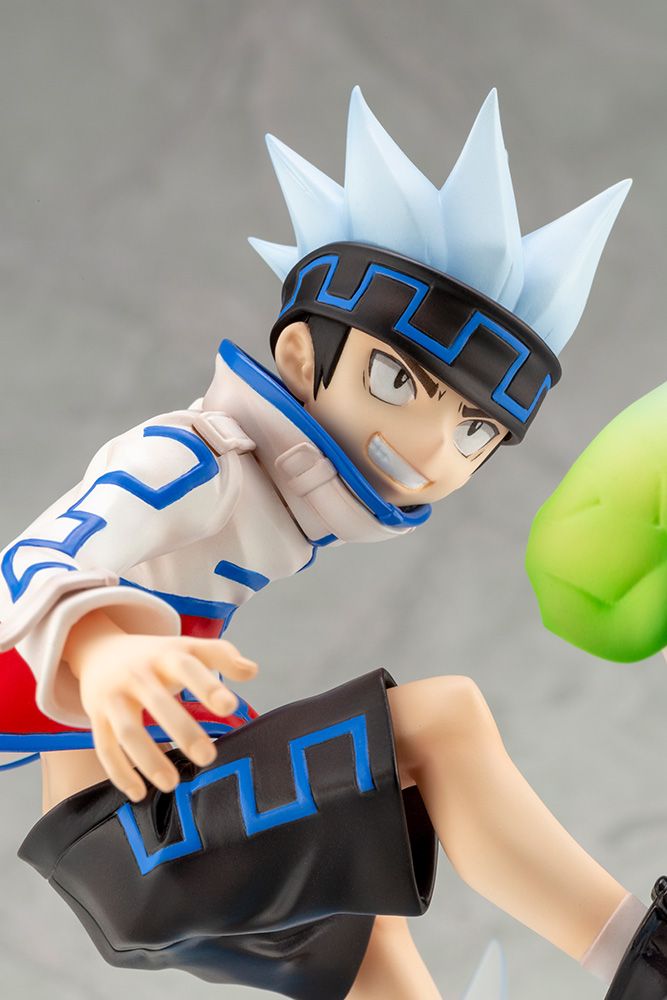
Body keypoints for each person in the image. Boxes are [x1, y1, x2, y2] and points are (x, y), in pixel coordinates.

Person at [0, 87, 654, 1000]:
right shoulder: (191, 458)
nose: (433, 450)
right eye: (397, 381)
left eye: (474, 432)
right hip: (129, 841)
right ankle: (644, 960)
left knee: (368, 919)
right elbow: (31, 560)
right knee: (442, 721)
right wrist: (101, 650)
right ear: (302, 359)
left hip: (169, 823)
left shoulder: (278, 495)